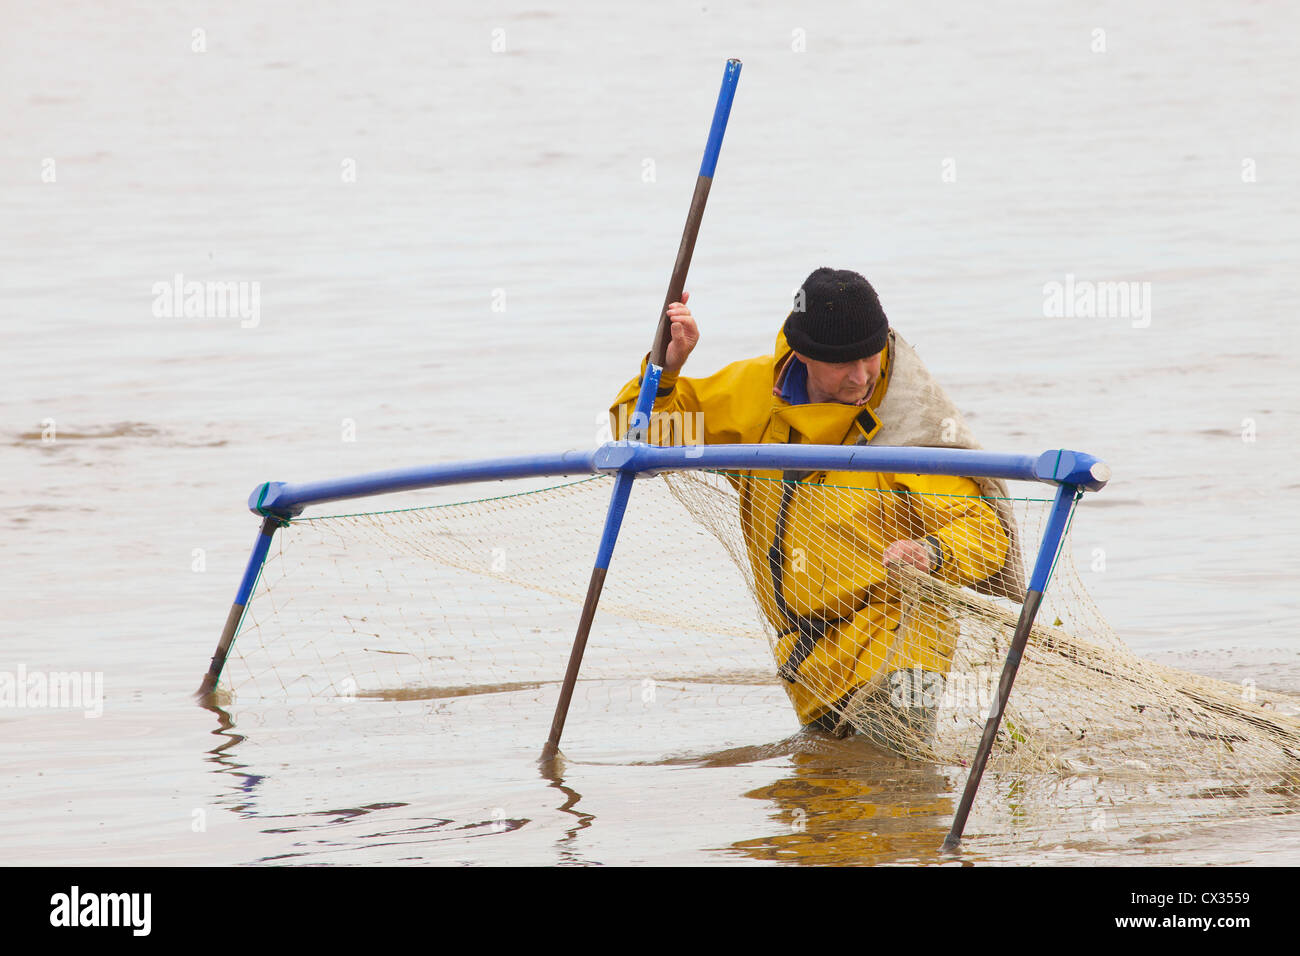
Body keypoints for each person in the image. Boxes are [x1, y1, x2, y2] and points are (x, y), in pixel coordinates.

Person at [610, 268, 1020, 750]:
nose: (862, 376)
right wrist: (667, 370)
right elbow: (640, 439)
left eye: (871, 356)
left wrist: (932, 552)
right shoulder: (751, 395)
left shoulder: (908, 422)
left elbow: (988, 531)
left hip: (907, 639)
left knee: (896, 783)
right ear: (803, 356)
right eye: (844, 364)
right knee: (830, 799)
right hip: (808, 658)